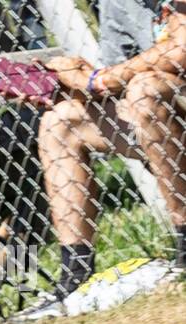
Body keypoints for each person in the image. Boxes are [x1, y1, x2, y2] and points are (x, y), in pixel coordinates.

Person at [36, 0, 186, 296]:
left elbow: (181, 50)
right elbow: (114, 88)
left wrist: (99, 80)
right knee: (60, 122)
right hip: (168, 116)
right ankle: (75, 276)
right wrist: (68, 85)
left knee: (145, 91)